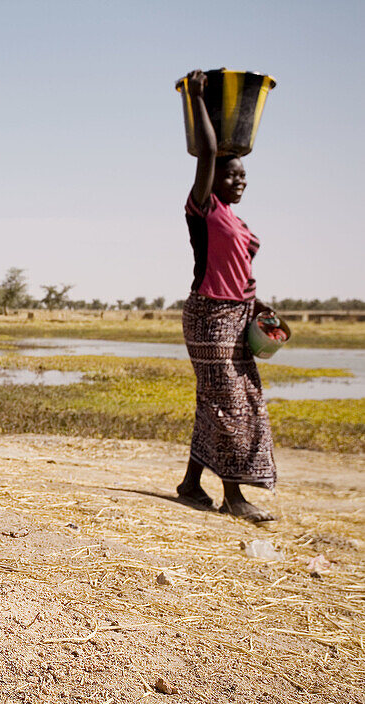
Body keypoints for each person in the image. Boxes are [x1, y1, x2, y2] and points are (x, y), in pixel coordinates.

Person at [175, 69, 276, 522]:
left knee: (226, 398)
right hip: (209, 316)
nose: (240, 181)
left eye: (243, 176)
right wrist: (198, 98)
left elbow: (244, 273)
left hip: (238, 316)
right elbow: (210, 150)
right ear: (213, 179)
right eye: (232, 175)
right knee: (228, 403)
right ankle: (234, 497)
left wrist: (258, 307)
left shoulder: (236, 221)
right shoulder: (204, 208)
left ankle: (191, 484)